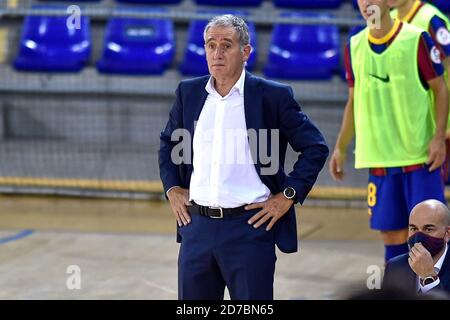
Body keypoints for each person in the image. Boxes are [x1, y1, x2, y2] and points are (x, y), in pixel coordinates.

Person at [158, 14, 328, 300]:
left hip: (249, 230)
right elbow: (168, 144)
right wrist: (172, 188)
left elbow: (315, 147)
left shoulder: (272, 97)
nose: (217, 53)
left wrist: (287, 195)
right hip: (195, 228)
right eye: (211, 45)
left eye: (226, 45)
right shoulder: (189, 93)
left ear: (245, 52)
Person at [329, 0, 449, 263]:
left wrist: (439, 137)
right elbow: (353, 100)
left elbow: (440, 89)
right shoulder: (354, 46)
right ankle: (398, 291)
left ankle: (435, 290)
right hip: (380, 160)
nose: (367, 3)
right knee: (392, 236)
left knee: (430, 235)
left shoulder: (416, 38)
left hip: (418, 157)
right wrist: (340, 146)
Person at [388, 0, 450, 184]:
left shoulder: (431, 19)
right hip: (410, 129)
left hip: (439, 126)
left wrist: (443, 130)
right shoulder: (388, 19)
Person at [383, 199, 450, 295]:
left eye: (428, 229)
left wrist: (428, 277)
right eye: (413, 228)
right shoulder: (395, 267)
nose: (418, 237)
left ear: (447, 234)